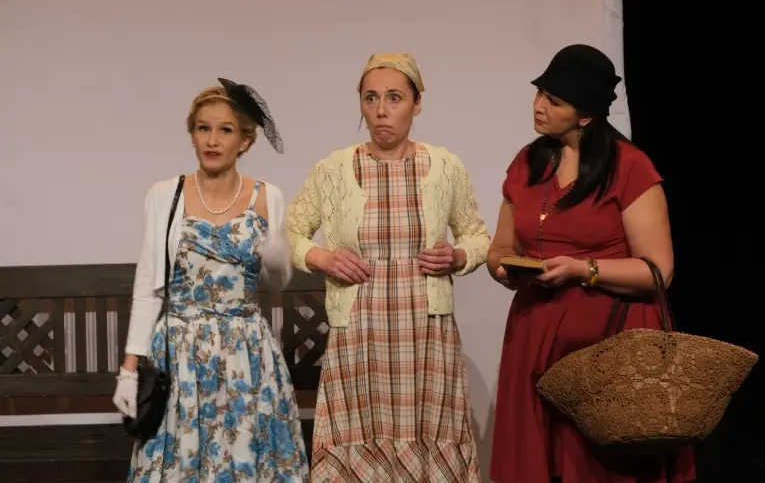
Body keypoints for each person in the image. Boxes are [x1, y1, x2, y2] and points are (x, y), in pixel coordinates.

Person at [487, 44, 697, 483]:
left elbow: (659, 270)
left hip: (608, 346)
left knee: (600, 467)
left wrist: (584, 269)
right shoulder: (527, 163)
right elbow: (499, 249)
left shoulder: (630, 167)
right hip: (536, 337)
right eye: (539, 93)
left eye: (554, 100)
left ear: (585, 116)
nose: (539, 106)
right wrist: (506, 270)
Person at [286, 52, 490, 482]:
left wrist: (457, 256)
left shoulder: (444, 167)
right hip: (360, 332)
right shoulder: (334, 169)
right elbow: (292, 233)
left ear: (417, 104)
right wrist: (324, 258)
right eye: (371, 98)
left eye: (394, 98)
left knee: (429, 435)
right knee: (357, 436)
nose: (381, 110)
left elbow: (477, 236)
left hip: (426, 333)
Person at [112, 78, 310, 482]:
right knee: (180, 462)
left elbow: (276, 282)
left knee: (249, 458)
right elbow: (149, 285)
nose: (213, 140)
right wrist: (130, 370)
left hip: (246, 353)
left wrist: (277, 262)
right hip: (181, 352)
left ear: (245, 140)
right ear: (192, 134)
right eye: (203, 128)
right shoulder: (165, 194)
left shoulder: (267, 196)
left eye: (225, 129)